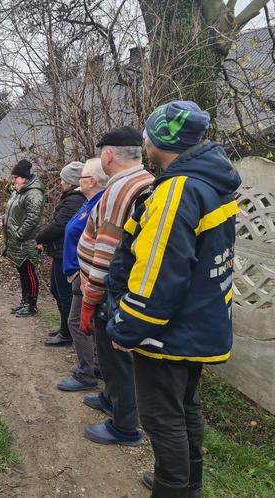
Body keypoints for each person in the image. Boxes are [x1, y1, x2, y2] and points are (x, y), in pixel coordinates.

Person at [106, 101, 241, 498]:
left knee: (162, 417)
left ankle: (171, 487)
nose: (144, 141)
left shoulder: (177, 190)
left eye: (148, 134)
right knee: (185, 407)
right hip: (200, 323)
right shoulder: (211, 181)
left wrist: (128, 326)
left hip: (168, 331)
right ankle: (186, 483)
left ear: (161, 138)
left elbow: (160, 272)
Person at [77, 126, 154, 445]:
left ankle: (124, 426)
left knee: (115, 357)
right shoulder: (147, 180)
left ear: (108, 155)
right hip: (130, 287)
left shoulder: (119, 190)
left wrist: (89, 299)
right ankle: (111, 398)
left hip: (112, 290)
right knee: (115, 358)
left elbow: (106, 252)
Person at [56, 158, 108, 391]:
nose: (79, 181)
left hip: (85, 275)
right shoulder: (89, 202)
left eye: (83, 177)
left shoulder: (100, 204)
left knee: (76, 321)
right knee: (90, 322)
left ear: (93, 181)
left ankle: (85, 373)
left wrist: (80, 274)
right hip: (79, 272)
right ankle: (95, 364)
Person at [36, 161, 86, 346]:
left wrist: (40, 237)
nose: (60, 182)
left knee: (64, 294)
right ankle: (64, 327)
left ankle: (67, 334)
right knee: (57, 291)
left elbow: (59, 225)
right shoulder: (71, 197)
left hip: (65, 253)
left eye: (63, 179)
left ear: (70, 181)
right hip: (59, 251)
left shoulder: (74, 200)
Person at [3, 159, 45, 317]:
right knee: (22, 272)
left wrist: (19, 235)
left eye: (16, 177)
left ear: (24, 177)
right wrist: (5, 219)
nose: (13, 181)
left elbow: (33, 219)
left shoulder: (34, 193)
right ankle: (24, 301)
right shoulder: (18, 191)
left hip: (27, 242)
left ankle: (32, 304)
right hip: (17, 242)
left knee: (29, 272)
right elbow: (15, 212)